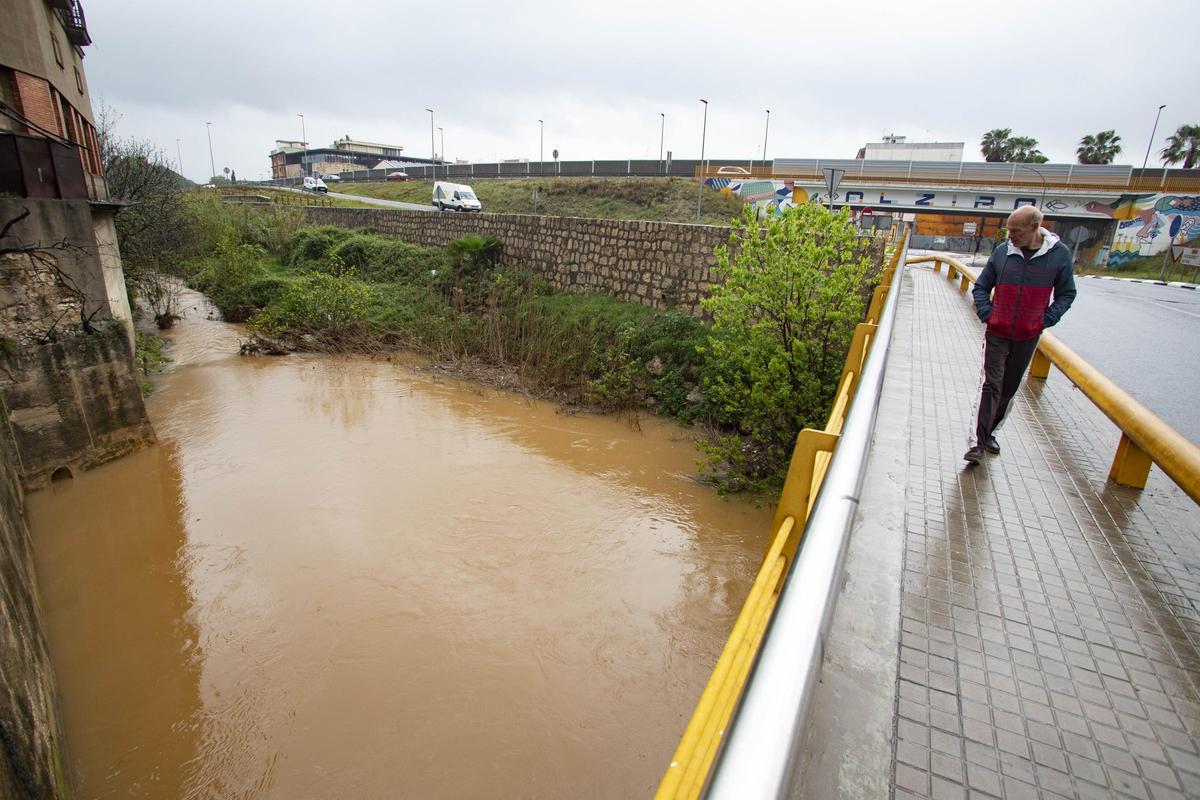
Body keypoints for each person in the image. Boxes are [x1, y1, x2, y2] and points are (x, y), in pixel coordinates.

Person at [964, 205, 1076, 464]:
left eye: (1016, 231)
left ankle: (990, 432)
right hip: (998, 331)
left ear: (1035, 228)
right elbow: (981, 286)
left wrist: (1044, 321)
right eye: (1009, 230)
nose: (1010, 235)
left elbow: (1067, 294)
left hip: (1027, 335)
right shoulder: (1003, 252)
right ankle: (977, 443)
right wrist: (988, 314)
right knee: (991, 385)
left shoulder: (1058, 255)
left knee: (1009, 387)